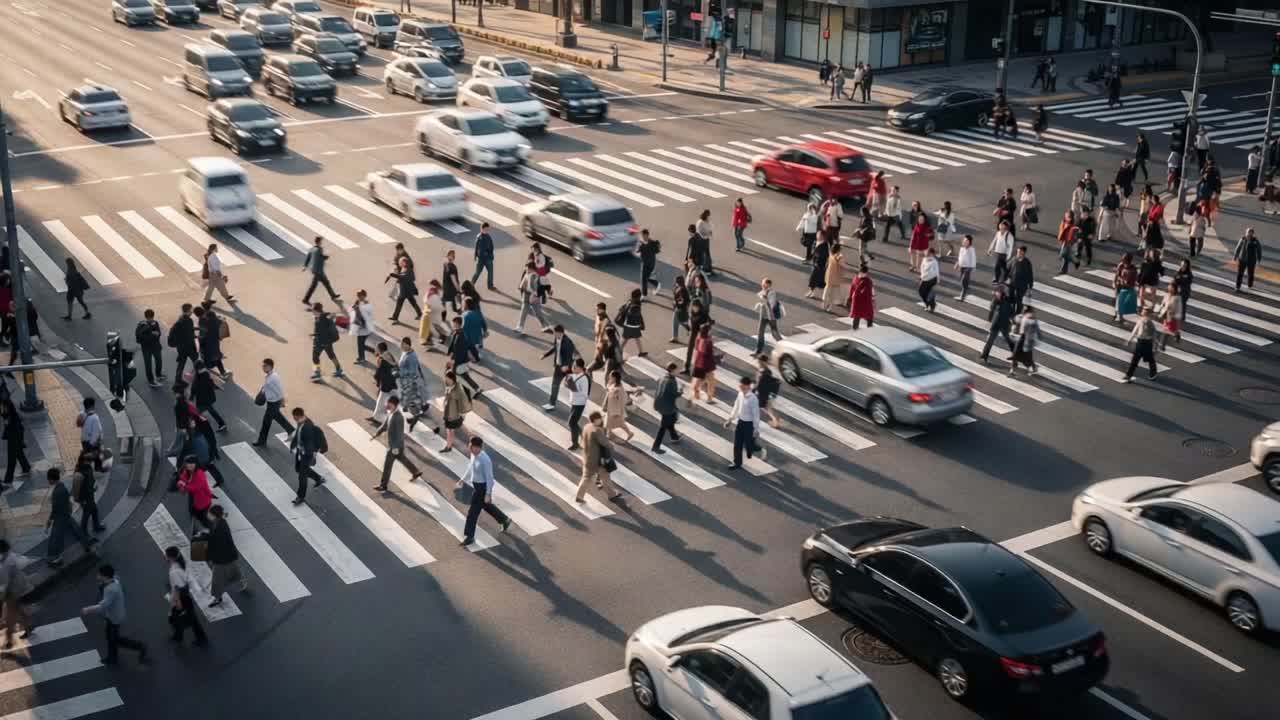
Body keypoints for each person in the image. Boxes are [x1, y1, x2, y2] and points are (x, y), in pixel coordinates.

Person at [81, 564, 148, 665]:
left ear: (105, 576)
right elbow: (115, 578)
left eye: (99, 574)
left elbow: (103, 606)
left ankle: (138, 646)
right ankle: (113, 657)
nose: (97, 576)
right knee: (111, 638)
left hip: (114, 618)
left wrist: (87, 610)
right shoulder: (114, 581)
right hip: (114, 615)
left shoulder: (111, 589)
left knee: (114, 639)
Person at [458, 437, 512, 544]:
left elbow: (490, 479)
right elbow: (471, 467)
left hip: (481, 488)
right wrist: (463, 479)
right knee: (486, 506)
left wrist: (488, 494)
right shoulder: (474, 454)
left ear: (477, 447)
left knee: (472, 513)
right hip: (476, 486)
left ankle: (469, 536)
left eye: (471, 446)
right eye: (470, 445)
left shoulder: (485, 460)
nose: (469, 447)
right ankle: (504, 520)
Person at [372, 396, 423, 492]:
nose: (386, 405)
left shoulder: (398, 417)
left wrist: (395, 448)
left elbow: (399, 434)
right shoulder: (391, 413)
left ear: (394, 405)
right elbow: (385, 425)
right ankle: (416, 472)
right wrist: (377, 433)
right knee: (402, 458)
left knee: (387, 465)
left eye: (388, 404)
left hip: (395, 446)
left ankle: (383, 485)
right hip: (396, 446)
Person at [163, 547, 207, 646]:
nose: (164, 555)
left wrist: (178, 602)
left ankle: (180, 636)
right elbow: (189, 579)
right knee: (191, 618)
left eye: (166, 554)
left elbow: (179, 588)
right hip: (185, 598)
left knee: (175, 618)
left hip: (181, 599)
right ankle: (197, 637)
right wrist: (198, 589)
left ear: (171, 557)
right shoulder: (181, 565)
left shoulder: (174, 571)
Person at [206, 505, 248, 608]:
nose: (208, 514)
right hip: (229, 555)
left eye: (209, 513)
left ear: (213, 515)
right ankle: (241, 582)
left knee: (217, 579)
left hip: (222, 558)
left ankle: (217, 598)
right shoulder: (220, 522)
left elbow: (215, 544)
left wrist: (210, 556)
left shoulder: (218, 527)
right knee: (234, 571)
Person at [576, 412, 620, 503]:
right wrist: (611, 451)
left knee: (586, 478)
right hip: (598, 460)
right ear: (596, 419)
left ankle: (579, 496)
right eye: (600, 418)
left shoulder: (587, 426)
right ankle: (612, 495)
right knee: (605, 477)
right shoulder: (597, 431)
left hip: (587, 458)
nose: (601, 420)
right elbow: (607, 444)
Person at [724, 376, 765, 470]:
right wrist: (730, 419)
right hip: (740, 423)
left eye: (741, 385)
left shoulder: (753, 399)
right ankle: (737, 463)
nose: (740, 387)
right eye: (740, 385)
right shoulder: (740, 394)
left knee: (748, 445)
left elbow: (756, 415)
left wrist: (756, 429)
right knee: (737, 444)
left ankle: (760, 450)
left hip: (749, 425)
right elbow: (736, 407)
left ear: (747, 386)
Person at [0, 539, 34, 648]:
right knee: (18, 609)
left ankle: (9, 641)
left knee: (10, 617)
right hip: (20, 587)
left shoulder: (6, 564)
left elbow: (4, 584)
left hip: (12, 592)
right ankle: (29, 625)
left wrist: (1, 598)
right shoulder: (11, 556)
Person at [252, 358, 293, 447]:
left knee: (266, 423)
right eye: (262, 366)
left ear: (270, 367)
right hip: (273, 403)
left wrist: (282, 401)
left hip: (273, 404)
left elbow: (279, 391)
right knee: (278, 417)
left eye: (264, 366)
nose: (262, 367)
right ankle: (292, 431)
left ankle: (261, 441)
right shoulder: (273, 375)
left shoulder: (271, 379)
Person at [541, 324, 577, 411]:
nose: (553, 334)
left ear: (560, 333)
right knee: (555, 384)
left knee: (570, 384)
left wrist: (566, 365)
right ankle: (552, 404)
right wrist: (545, 354)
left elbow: (569, 355)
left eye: (554, 333)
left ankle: (577, 401)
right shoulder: (557, 338)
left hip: (565, 367)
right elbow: (555, 348)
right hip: (559, 366)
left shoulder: (567, 342)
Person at [446, 316, 482, 397]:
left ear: (457, 324)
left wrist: (454, 360)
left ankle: (455, 389)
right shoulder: (458, 332)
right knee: (462, 375)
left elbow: (460, 349)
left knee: (456, 373)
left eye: (453, 323)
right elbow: (469, 346)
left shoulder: (460, 335)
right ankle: (477, 388)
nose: (452, 325)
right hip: (458, 358)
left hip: (458, 359)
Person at [177, 454, 213, 533]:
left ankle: (213, 529)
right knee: (193, 512)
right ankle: (194, 528)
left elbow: (196, 488)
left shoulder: (200, 474)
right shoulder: (187, 471)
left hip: (203, 499)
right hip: (194, 498)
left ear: (195, 464)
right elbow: (183, 477)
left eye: (191, 463)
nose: (188, 465)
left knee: (202, 517)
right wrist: (182, 483)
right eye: (187, 463)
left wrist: (184, 485)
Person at [980, 284, 1016, 364]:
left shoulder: (1003, 301)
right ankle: (984, 355)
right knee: (991, 340)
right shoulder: (1004, 301)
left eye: (998, 292)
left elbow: (992, 310)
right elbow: (1011, 313)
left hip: (1002, 324)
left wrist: (989, 320)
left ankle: (1016, 355)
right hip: (1001, 323)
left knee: (998, 340)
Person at [651, 362, 682, 454]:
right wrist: (681, 391)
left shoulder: (663, 378)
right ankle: (655, 447)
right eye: (677, 369)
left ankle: (674, 437)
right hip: (667, 407)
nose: (678, 371)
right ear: (672, 370)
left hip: (659, 404)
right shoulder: (672, 381)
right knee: (663, 427)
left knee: (670, 420)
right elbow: (674, 394)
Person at [309, 302, 344, 381]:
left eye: (313, 310)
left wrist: (315, 336)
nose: (312, 312)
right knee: (331, 355)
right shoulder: (321, 316)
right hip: (327, 341)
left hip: (321, 342)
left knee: (315, 357)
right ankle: (339, 370)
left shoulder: (322, 319)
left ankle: (317, 372)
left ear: (317, 311)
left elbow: (322, 331)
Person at [1123, 308, 1159, 383]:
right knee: (1135, 360)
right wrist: (1130, 340)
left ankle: (1153, 373)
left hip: (1147, 343)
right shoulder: (1140, 321)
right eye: (1143, 311)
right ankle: (1129, 375)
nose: (1142, 312)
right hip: (1140, 342)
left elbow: (1154, 335)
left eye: (1144, 312)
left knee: (1150, 359)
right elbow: (1135, 330)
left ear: (1148, 314)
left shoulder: (1150, 323)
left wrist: (1156, 345)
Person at [515, 261, 550, 335]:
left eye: (528, 268)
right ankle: (520, 327)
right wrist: (522, 287)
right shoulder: (527, 274)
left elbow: (535, 288)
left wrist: (535, 296)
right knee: (524, 311)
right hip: (526, 294)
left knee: (537, 312)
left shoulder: (534, 276)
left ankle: (545, 325)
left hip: (533, 296)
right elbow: (523, 284)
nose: (526, 269)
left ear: (532, 268)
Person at [302, 236, 340, 305]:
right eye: (321, 241)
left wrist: (305, 266)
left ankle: (333, 295)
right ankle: (305, 299)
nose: (321, 242)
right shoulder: (319, 249)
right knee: (314, 286)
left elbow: (308, 258)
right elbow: (322, 258)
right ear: (319, 242)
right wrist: (328, 256)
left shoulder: (312, 248)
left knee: (326, 283)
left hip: (315, 270)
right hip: (318, 271)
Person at [75, 450, 105, 535]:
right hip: (85, 498)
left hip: (89, 495)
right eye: (89, 461)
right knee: (86, 514)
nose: (91, 463)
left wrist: (94, 484)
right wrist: (80, 500)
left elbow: (91, 479)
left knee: (94, 510)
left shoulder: (88, 468)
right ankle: (84, 531)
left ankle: (96, 526)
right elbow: (78, 487)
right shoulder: (80, 472)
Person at [440, 371, 471, 452]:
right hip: (448, 412)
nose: (446, 380)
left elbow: (463, 401)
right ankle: (449, 445)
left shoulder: (458, 389)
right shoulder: (448, 385)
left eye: (447, 379)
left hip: (454, 414)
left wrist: (462, 414)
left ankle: (448, 446)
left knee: (450, 430)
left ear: (452, 379)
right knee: (450, 430)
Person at [1, 400, 29, 489]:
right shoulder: (6, 404)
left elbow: (5, 414)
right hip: (15, 432)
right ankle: (26, 467)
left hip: (14, 433)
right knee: (18, 451)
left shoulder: (5, 405)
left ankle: (8, 479)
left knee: (11, 456)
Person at [135, 309, 165, 388]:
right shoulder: (142, 325)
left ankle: (158, 374)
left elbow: (158, 333)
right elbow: (139, 337)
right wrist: (152, 334)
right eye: (149, 318)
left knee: (158, 361)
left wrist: (152, 335)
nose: (150, 320)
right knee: (148, 364)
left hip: (153, 347)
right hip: (148, 347)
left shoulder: (155, 323)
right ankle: (151, 381)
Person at [601, 370, 633, 443]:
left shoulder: (618, 389)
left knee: (618, 422)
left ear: (615, 378)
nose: (609, 378)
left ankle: (629, 433)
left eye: (611, 377)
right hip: (611, 408)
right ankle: (609, 434)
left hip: (615, 409)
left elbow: (621, 399)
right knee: (611, 422)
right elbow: (608, 392)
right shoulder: (614, 385)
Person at [387, 255, 421, 324]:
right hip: (406, 290)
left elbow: (403, 277)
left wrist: (393, 275)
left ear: (405, 263)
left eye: (401, 262)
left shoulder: (408, 270)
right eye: (400, 262)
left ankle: (395, 317)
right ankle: (420, 314)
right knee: (412, 303)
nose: (400, 263)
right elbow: (402, 278)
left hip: (406, 290)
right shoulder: (404, 268)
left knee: (400, 303)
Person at [168, 303, 198, 380]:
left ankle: (178, 380)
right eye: (191, 310)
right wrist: (196, 336)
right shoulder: (188, 320)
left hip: (181, 347)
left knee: (181, 364)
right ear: (188, 311)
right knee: (197, 361)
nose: (192, 312)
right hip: (189, 346)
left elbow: (184, 331)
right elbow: (189, 334)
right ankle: (200, 377)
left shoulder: (180, 318)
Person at [370, 342, 398, 424]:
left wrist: (377, 382)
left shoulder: (381, 359)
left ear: (380, 349)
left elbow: (379, 373)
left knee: (381, 401)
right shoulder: (389, 355)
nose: (375, 349)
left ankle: (380, 419)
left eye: (376, 348)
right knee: (382, 401)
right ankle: (376, 417)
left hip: (386, 384)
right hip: (392, 382)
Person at [565, 358, 590, 450]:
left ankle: (575, 443)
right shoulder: (574, 375)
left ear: (580, 368)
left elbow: (585, 394)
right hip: (574, 402)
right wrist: (568, 384)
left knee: (571, 423)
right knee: (573, 423)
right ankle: (585, 437)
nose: (572, 368)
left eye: (575, 367)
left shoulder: (584, 379)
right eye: (572, 366)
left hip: (579, 404)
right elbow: (569, 382)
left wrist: (574, 388)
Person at [1009, 307, 1040, 376]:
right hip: (1022, 339)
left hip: (1025, 340)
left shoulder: (1028, 320)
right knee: (1018, 354)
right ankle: (1012, 370)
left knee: (1025, 356)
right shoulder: (1021, 318)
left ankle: (1033, 367)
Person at [754, 278, 782, 353]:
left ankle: (783, 346)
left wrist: (765, 299)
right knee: (760, 332)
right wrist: (759, 303)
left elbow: (771, 305)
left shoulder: (772, 293)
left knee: (774, 333)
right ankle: (758, 350)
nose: (763, 287)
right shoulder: (762, 292)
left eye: (765, 286)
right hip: (763, 316)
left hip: (771, 317)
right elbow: (761, 303)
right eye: (763, 285)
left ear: (769, 286)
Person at [617, 290, 646, 358]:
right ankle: (618, 354)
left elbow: (621, 309)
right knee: (626, 340)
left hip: (628, 325)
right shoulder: (636, 304)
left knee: (635, 338)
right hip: (632, 325)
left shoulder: (630, 301)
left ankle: (641, 352)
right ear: (638, 296)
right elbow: (636, 315)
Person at [755, 354, 781, 428]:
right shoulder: (767, 370)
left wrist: (754, 391)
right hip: (772, 392)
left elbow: (760, 385)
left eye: (759, 362)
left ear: (764, 362)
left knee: (767, 407)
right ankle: (775, 420)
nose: (758, 363)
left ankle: (776, 421)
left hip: (768, 393)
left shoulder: (763, 372)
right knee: (767, 407)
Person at [78, 397, 105, 472]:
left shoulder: (82, 415)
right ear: (92, 406)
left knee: (88, 457)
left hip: (84, 440)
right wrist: (92, 443)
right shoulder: (95, 417)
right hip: (91, 442)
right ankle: (97, 470)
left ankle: (87, 470)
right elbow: (97, 431)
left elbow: (78, 424)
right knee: (96, 457)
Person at [683, 300, 709, 374]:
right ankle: (686, 367)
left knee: (700, 352)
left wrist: (700, 334)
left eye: (696, 307)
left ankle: (700, 369)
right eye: (693, 306)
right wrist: (688, 329)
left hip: (700, 335)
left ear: (699, 307)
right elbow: (690, 322)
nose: (695, 308)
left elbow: (705, 327)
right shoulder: (691, 312)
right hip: (693, 333)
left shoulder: (703, 315)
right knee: (689, 350)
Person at [1234, 227, 1263, 292]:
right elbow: (1238, 247)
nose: (1249, 235)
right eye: (1248, 233)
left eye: (1251, 233)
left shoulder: (1255, 241)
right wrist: (1235, 256)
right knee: (1240, 274)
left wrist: (1259, 259)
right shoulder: (1243, 239)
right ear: (1246, 233)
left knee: (1250, 273)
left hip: (1251, 261)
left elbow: (1259, 250)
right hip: (1242, 259)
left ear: (1253, 234)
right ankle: (1237, 286)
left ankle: (1250, 284)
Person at [635, 228, 661, 297]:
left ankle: (644, 294)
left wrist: (657, 246)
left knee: (644, 278)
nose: (643, 237)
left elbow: (657, 251)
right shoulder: (642, 244)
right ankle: (656, 285)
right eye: (642, 236)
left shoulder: (652, 243)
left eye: (644, 235)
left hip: (650, 264)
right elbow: (637, 252)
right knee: (645, 278)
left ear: (647, 235)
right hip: (646, 263)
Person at [1113, 253, 1138, 322]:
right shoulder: (1121, 265)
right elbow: (1117, 274)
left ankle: (1120, 315)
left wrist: (1121, 281)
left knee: (1121, 302)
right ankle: (1118, 314)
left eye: (1124, 259)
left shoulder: (1133, 270)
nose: (1122, 261)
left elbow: (1131, 282)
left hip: (1127, 288)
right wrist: (1115, 282)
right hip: (1119, 286)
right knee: (1117, 300)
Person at [1158, 280, 1183, 349]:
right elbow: (1163, 303)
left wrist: (1177, 316)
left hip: (1173, 316)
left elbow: (1179, 307)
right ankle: (1162, 344)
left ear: (1174, 289)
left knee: (1171, 329)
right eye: (1169, 287)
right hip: (1166, 314)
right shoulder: (1167, 295)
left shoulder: (1177, 298)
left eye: (1171, 287)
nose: (1169, 288)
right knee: (1165, 329)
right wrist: (1160, 310)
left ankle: (1176, 334)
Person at [848, 265, 875, 329]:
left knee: (857, 316)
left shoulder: (855, 278)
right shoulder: (868, 281)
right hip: (866, 301)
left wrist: (850, 297)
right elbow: (870, 291)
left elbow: (852, 288)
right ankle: (870, 329)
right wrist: (873, 298)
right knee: (869, 316)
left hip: (856, 300)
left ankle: (855, 329)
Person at [470, 222, 496, 290]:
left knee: (490, 272)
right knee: (477, 273)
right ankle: (471, 284)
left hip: (488, 258)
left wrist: (491, 255)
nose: (487, 231)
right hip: (481, 259)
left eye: (488, 229)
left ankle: (490, 286)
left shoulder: (488, 236)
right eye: (486, 229)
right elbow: (478, 249)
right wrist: (476, 256)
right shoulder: (480, 237)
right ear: (482, 229)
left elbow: (491, 246)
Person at [954, 235, 976, 301]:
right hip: (962, 267)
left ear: (969, 242)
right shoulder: (962, 249)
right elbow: (960, 257)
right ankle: (966, 288)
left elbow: (973, 259)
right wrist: (957, 264)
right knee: (962, 281)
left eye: (966, 240)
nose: (964, 241)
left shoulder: (971, 249)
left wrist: (972, 267)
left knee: (964, 280)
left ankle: (962, 296)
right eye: (964, 240)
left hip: (968, 268)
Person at [918, 247, 939, 313]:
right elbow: (922, 267)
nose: (925, 253)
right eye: (926, 252)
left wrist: (938, 280)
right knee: (921, 292)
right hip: (924, 278)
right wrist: (921, 276)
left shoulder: (934, 262)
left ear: (932, 254)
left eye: (927, 252)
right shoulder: (924, 259)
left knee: (927, 292)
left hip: (931, 279)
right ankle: (929, 303)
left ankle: (931, 305)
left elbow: (936, 271)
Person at [1056, 211, 1078, 275]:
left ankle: (1064, 270)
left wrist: (1071, 241)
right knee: (1065, 256)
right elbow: (1061, 230)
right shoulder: (1064, 222)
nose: (1066, 217)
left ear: (1071, 218)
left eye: (1068, 217)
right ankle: (1074, 262)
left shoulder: (1072, 226)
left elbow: (1073, 235)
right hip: (1064, 240)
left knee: (1064, 255)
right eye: (1066, 216)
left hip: (1069, 242)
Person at [669, 275, 689, 343]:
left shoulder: (683, 290)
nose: (675, 282)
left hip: (681, 309)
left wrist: (676, 303)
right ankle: (675, 337)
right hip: (677, 308)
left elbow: (685, 301)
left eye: (676, 281)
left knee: (680, 322)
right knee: (675, 322)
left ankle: (689, 328)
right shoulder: (677, 287)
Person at [695, 209, 716, 275]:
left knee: (706, 254)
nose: (709, 217)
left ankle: (707, 268)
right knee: (705, 255)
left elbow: (711, 227)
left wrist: (710, 232)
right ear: (706, 215)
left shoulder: (706, 221)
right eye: (709, 216)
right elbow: (701, 233)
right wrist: (708, 234)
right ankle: (706, 269)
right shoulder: (700, 222)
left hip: (706, 240)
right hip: (702, 240)